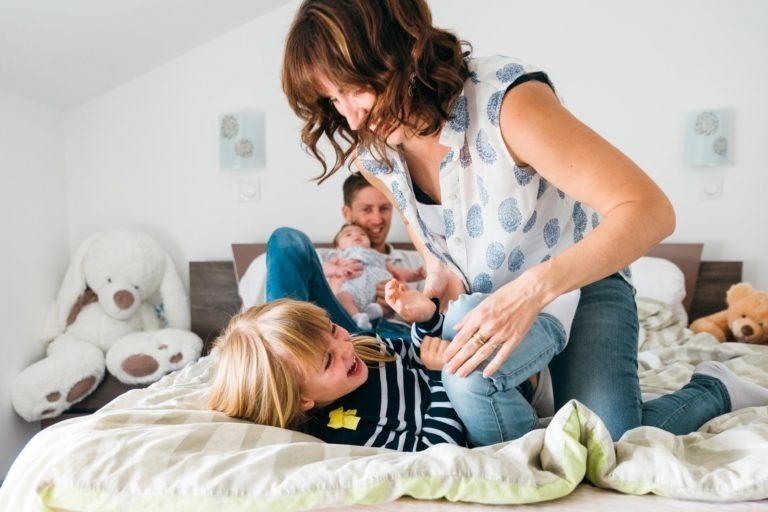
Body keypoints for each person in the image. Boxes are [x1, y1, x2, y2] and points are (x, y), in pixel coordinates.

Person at [280, 0, 764, 440]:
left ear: (395, 50)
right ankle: (547, 394)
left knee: (614, 442)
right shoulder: (375, 152)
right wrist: (433, 282)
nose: (353, 118)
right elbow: (432, 242)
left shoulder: (507, 103)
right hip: (489, 306)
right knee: (484, 394)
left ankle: (715, 387)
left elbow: (651, 211)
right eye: (332, 102)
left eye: (353, 91)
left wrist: (530, 292)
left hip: (580, 284)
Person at [208, 297, 768, 450]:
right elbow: (436, 441)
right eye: (328, 360)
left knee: (473, 305)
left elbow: (407, 350)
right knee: (615, 443)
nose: (343, 344)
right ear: (302, 401)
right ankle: (714, 388)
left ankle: (549, 322)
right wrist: (446, 372)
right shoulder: (349, 426)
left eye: (330, 330)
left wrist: (430, 337)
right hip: (488, 414)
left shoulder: (362, 351)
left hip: (515, 379)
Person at [266, 172, 424, 341]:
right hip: (332, 331)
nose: (377, 219)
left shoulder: (417, 262)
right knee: (286, 236)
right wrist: (333, 287)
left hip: (390, 337)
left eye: (384, 208)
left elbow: (435, 325)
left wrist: (405, 302)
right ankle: (286, 342)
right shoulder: (316, 258)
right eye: (366, 209)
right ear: (347, 213)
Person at [332, 222, 425, 330]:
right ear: (337, 247)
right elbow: (326, 268)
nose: (356, 236)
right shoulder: (340, 256)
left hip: (377, 291)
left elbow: (397, 271)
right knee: (342, 296)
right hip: (353, 289)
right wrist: (336, 269)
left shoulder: (377, 255)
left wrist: (414, 275)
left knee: (390, 296)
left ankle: (375, 312)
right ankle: (356, 317)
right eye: (348, 235)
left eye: (362, 234)